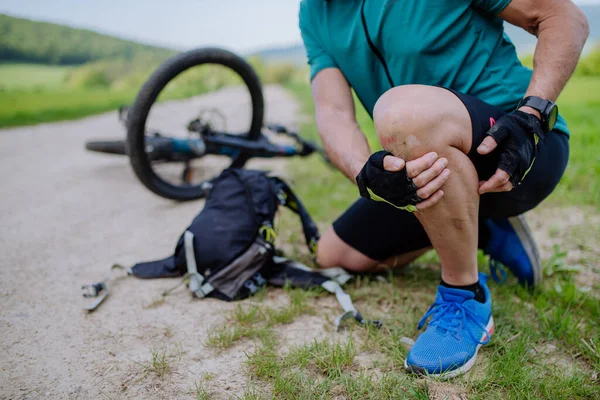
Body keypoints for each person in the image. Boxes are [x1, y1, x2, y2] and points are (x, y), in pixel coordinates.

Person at [299, 0, 589, 377]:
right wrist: (365, 174)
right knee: (335, 254)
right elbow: (333, 112)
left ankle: (463, 297)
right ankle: (482, 228)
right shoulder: (315, 11)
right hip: (430, 169)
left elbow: (564, 18)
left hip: (516, 146)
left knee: (403, 113)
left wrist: (531, 115)